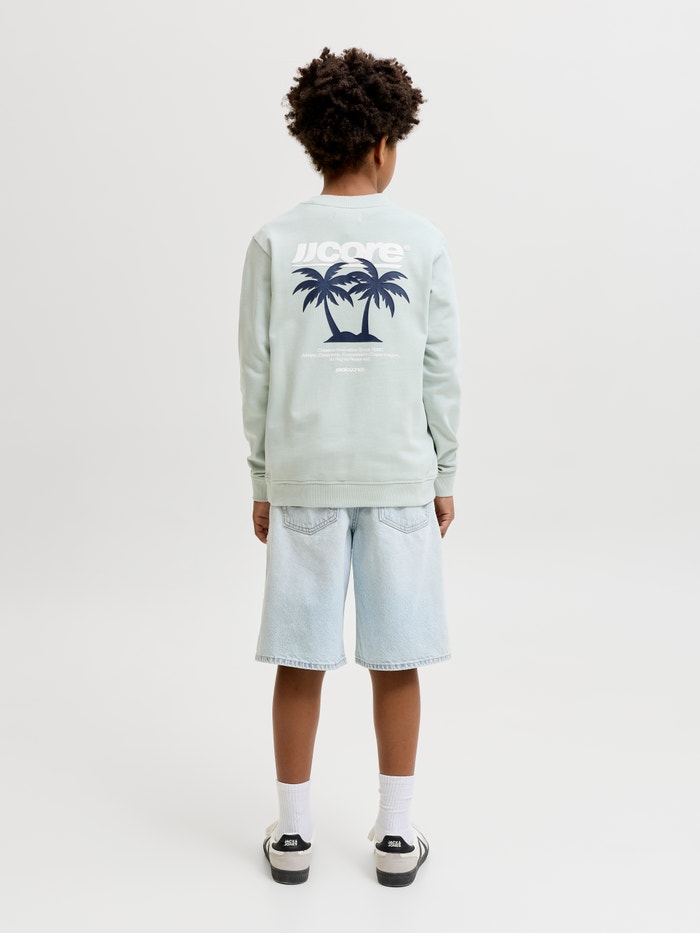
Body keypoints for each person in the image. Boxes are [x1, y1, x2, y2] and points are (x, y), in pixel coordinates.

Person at [238, 46, 461, 887]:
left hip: (305, 479)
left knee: (301, 657)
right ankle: (396, 834)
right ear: (382, 145)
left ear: (315, 141)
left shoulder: (274, 240)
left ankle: (294, 836)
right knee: (396, 658)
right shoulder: (422, 241)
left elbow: (257, 372)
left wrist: (264, 479)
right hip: (399, 477)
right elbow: (441, 368)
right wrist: (444, 472)